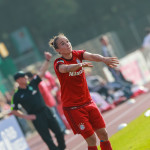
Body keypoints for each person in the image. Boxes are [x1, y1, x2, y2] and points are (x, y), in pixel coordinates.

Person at [49, 33, 119, 150]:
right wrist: (78, 65)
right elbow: (65, 69)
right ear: (58, 50)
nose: (67, 44)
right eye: (63, 44)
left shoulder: (78, 54)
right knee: (91, 139)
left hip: (88, 102)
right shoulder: (58, 62)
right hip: (73, 108)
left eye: (67, 41)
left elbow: (91, 56)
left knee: (103, 134)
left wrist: (103, 59)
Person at [11, 52, 66, 150]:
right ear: (18, 80)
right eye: (23, 77)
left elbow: (42, 72)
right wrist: (26, 116)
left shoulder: (33, 84)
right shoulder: (16, 95)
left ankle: (62, 148)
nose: (26, 77)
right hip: (36, 117)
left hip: (46, 110)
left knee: (59, 132)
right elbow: (13, 110)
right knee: (47, 139)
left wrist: (47, 60)